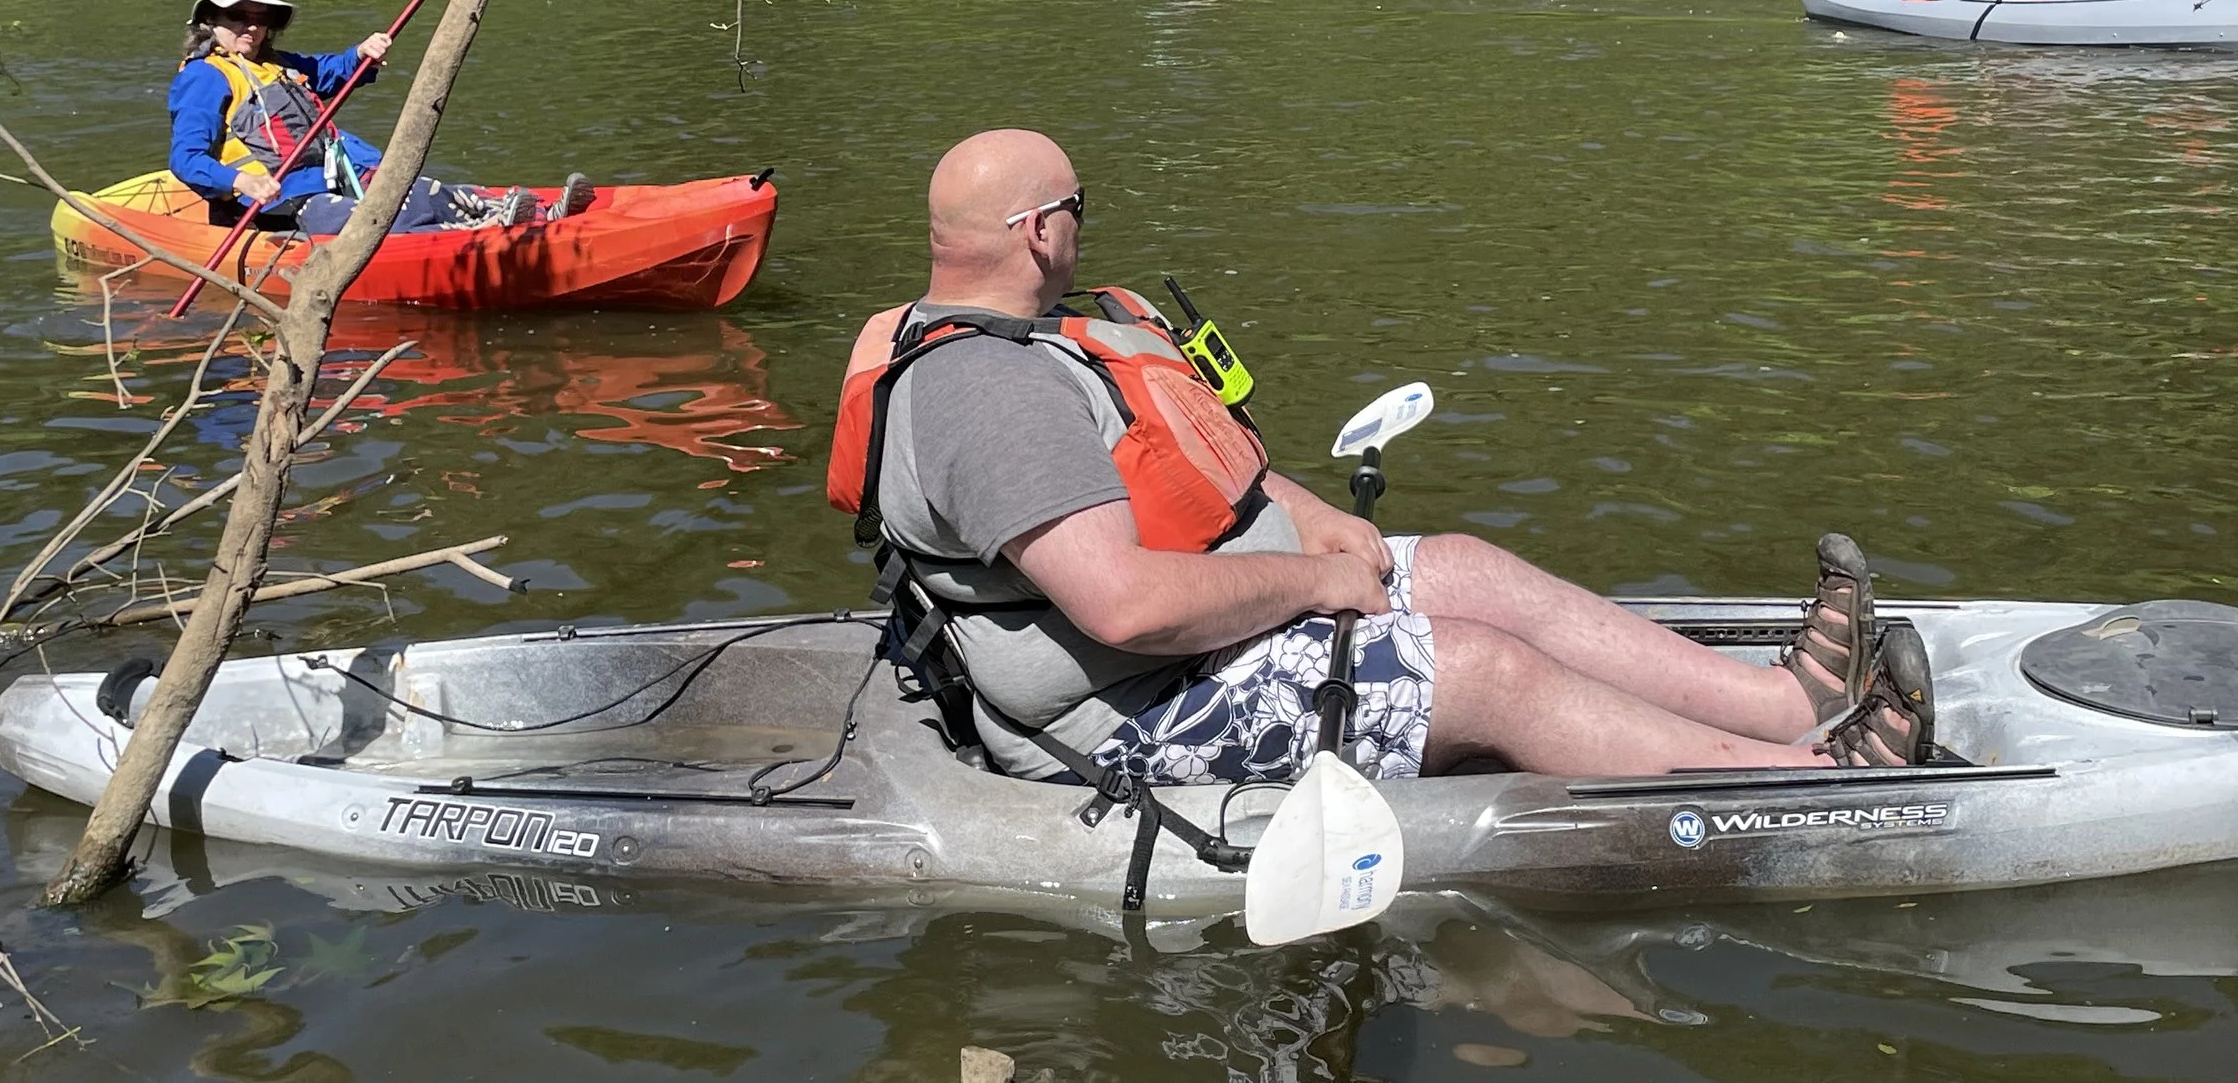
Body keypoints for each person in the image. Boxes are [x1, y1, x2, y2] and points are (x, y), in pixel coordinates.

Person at [829, 128, 1934, 794]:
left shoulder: (1050, 331)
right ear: (1038, 230)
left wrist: (1308, 519)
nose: (1085, 229)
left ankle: (1784, 703)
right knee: (1478, 666)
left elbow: (1198, 472)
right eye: (1079, 209)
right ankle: (1805, 783)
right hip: (1135, 715)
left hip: (1202, 641)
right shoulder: (987, 392)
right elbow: (1123, 607)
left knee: (1463, 569)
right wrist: (1316, 582)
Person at [168, 0, 595, 236]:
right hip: (278, 205)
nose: (251, 28)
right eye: (238, 17)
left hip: (338, 176)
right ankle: (492, 234)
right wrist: (243, 182)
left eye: (260, 19)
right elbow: (185, 158)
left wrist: (360, 54)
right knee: (387, 219)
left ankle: (539, 213)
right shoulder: (205, 77)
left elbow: (329, 71)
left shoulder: (275, 63)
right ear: (211, 21)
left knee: (424, 193)